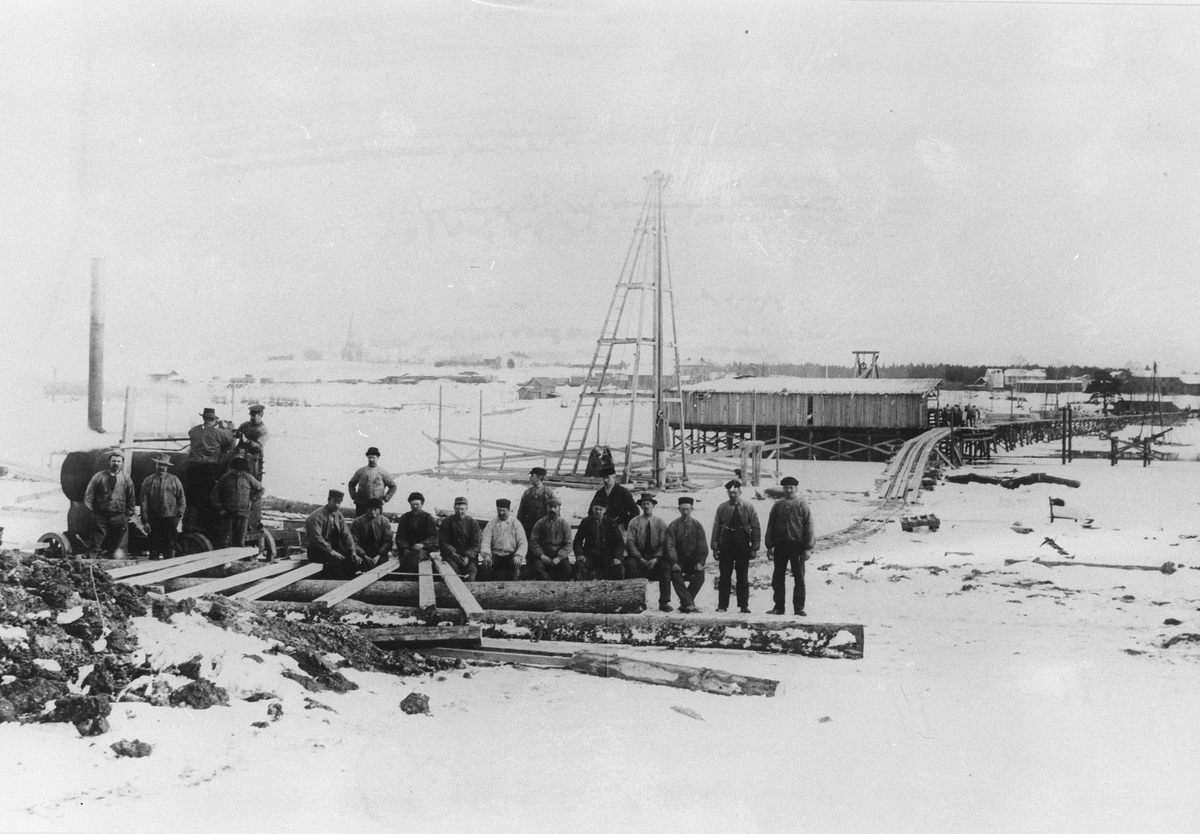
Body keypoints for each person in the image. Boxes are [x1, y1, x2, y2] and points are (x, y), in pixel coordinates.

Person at [627, 492, 696, 613]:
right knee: (630, 566)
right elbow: (630, 542)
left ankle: (664, 602)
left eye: (648, 504)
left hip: (655, 555)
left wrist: (657, 558)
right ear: (641, 506)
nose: (646, 506)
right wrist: (639, 557)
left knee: (665, 567)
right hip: (639, 555)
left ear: (653, 506)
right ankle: (635, 601)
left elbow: (664, 543)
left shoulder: (660, 523)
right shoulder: (634, 522)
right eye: (644, 504)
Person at [764, 476, 815, 616]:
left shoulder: (802, 505)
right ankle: (779, 607)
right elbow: (771, 526)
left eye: (791, 487)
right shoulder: (777, 505)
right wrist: (769, 545)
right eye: (786, 488)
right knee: (778, 578)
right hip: (780, 546)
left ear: (796, 489)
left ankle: (799, 608)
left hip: (796, 546)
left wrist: (808, 548)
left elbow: (809, 527)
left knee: (799, 577)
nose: (788, 490)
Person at [710, 479, 761, 614]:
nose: (733, 495)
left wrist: (754, 548)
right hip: (726, 545)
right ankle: (722, 605)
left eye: (735, 493)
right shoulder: (722, 507)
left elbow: (755, 527)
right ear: (727, 492)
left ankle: (743, 605)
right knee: (724, 576)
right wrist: (715, 546)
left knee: (742, 576)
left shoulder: (748, 507)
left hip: (742, 545)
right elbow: (716, 526)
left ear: (740, 492)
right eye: (730, 493)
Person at [186, 407, 236, 527]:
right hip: (208, 468)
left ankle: (187, 523)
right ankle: (198, 524)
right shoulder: (218, 432)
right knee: (206, 496)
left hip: (192, 467)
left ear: (203, 418)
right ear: (214, 420)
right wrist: (225, 428)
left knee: (192, 495)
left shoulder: (194, 430)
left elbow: (192, 434)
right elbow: (230, 441)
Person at [83, 450, 137, 557]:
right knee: (95, 543)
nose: (116, 463)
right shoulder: (99, 476)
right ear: (109, 462)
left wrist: (127, 515)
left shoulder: (126, 479)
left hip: (118, 516)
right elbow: (89, 495)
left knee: (116, 546)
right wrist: (93, 512)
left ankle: (113, 569)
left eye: (118, 461)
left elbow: (131, 498)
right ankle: (90, 567)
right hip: (100, 516)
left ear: (122, 463)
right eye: (113, 461)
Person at [209, 457, 265, 548]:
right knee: (224, 542)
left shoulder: (249, 478)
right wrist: (220, 509)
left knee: (239, 541)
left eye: (241, 471)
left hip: (243, 515)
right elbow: (214, 495)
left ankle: (238, 561)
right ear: (232, 468)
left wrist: (253, 498)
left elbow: (261, 490)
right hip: (227, 515)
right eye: (236, 470)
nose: (238, 473)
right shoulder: (225, 478)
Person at [665, 496, 709, 608]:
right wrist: (674, 562)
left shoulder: (697, 525)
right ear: (678, 509)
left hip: (693, 561)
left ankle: (686, 602)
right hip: (679, 561)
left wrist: (700, 562)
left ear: (692, 509)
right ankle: (688, 603)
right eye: (683, 509)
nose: (685, 512)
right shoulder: (673, 525)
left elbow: (702, 545)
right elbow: (670, 545)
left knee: (700, 575)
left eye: (688, 509)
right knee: (675, 575)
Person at [140, 454, 186, 559]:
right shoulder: (148, 481)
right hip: (154, 519)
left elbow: (182, 498)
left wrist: (178, 515)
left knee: (169, 544)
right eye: (160, 464)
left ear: (168, 466)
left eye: (164, 465)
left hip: (170, 518)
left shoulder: (174, 480)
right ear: (156, 464)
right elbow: (143, 502)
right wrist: (145, 521)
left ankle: (169, 569)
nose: (162, 467)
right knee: (153, 545)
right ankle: (153, 571)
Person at [305, 489, 358, 579]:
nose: (337, 505)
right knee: (336, 565)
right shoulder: (317, 515)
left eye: (339, 503)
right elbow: (316, 538)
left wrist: (353, 551)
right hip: (316, 551)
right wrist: (332, 552)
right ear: (329, 500)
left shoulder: (338, 515)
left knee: (352, 560)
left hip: (331, 549)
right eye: (334, 502)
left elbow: (346, 534)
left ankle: (351, 585)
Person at [573, 497, 626, 580]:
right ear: (592, 509)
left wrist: (617, 557)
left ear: (605, 510)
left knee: (619, 569)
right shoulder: (586, 522)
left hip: (607, 556)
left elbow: (619, 543)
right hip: (590, 556)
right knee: (579, 565)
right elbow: (577, 541)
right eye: (596, 509)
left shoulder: (611, 523)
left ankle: (618, 591)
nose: (598, 511)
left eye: (601, 509)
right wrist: (580, 554)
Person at [527, 497, 575, 581]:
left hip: (558, 556)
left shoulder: (564, 524)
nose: (552, 509)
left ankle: (553, 581)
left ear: (559, 508)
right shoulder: (540, 523)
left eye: (555, 507)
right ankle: (548, 582)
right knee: (537, 567)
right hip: (543, 555)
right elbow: (533, 542)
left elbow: (569, 544)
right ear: (546, 508)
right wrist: (542, 555)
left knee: (567, 568)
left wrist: (559, 557)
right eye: (550, 507)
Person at [479, 498, 528, 581]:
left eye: (504, 511)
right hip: (495, 555)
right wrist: (486, 555)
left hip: (511, 556)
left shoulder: (516, 523)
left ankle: (514, 589)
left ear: (509, 510)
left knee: (516, 567)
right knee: (486, 564)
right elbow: (485, 542)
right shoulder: (491, 524)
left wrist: (518, 555)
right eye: (499, 510)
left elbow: (523, 543)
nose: (501, 513)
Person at [395, 491, 440, 573]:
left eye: (417, 504)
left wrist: (423, 544)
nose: (415, 507)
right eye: (412, 505)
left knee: (416, 558)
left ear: (422, 504)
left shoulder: (428, 518)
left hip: (423, 549)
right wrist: (404, 548)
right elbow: (400, 536)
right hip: (408, 548)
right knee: (405, 558)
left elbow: (434, 536)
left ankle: (411, 579)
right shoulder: (405, 517)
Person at [439, 496, 482, 581]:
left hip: (468, 555)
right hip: (450, 554)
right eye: (457, 509)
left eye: (462, 509)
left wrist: (468, 557)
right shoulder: (447, 521)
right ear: (454, 508)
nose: (459, 512)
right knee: (452, 571)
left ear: (466, 509)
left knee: (471, 571)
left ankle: (468, 592)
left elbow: (476, 544)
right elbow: (443, 542)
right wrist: (453, 554)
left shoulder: (473, 523)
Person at [348, 447, 398, 517]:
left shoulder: (383, 472)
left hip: (376, 505)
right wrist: (354, 496)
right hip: (361, 504)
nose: (371, 460)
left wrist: (385, 499)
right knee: (360, 524)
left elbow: (393, 486)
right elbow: (351, 483)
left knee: (376, 525)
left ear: (377, 457)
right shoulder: (361, 471)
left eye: (373, 457)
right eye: (369, 457)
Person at [350, 497, 395, 569]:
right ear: (366, 510)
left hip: (379, 553)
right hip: (362, 553)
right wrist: (364, 556)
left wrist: (379, 556)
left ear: (379, 510)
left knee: (382, 568)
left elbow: (387, 541)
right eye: (370, 509)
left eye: (375, 510)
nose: (372, 512)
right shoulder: (357, 522)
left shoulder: (385, 522)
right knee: (360, 567)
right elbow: (353, 542)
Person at [592, 464, 638, 530]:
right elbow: (591, 510)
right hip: (602, 528)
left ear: (614, 478)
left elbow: (635, 511)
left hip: (619, 528)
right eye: (603, 478)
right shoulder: (599, 493)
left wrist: (625, 524)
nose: (605, 480)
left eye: (608, 477)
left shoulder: (623, 492)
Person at [516, 467, 556, 538]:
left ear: (539, 477)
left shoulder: (548, 492)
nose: (530, 478)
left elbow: (555, 510)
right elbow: (521, 512)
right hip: (528, 528)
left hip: (544, 528)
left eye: (532, 475)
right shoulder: (527, 492)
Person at [235, 405, 269, 480]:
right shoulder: (246, 424)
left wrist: (246, 441)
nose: (252, 417)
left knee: (248, 472)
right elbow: (236, 433)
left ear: (261, 415)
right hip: (240, 451)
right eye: (251, 415)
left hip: (253, 454)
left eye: (254, 415)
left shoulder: (263, 430)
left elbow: (259, 446)